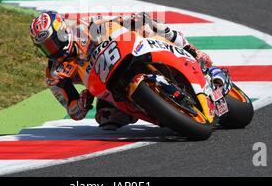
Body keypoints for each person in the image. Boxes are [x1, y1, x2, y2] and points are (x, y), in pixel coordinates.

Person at [30, 10, 230, 130]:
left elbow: (113, 23)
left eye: (52, 42)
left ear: (63, 32)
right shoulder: (55, 74)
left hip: (125, 55)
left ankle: (192, 51)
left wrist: (130, 21)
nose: (51, 50)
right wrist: (82, 103)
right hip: (106, 85)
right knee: (106, 120)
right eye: (45, 47)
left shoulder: (84, 27)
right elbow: (73, 111)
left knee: (146, 22)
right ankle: (164, 113)